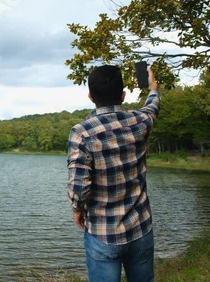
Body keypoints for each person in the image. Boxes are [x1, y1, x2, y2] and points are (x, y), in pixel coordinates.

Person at [67, 65, 160, 282]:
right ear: (123, 95)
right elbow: (153, 106)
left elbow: (79, 187)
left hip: (103, 232)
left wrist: (77, 209)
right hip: (141, 227)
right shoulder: (140, 121)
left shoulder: (82, 133)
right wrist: (152, 87)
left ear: (90, 97)